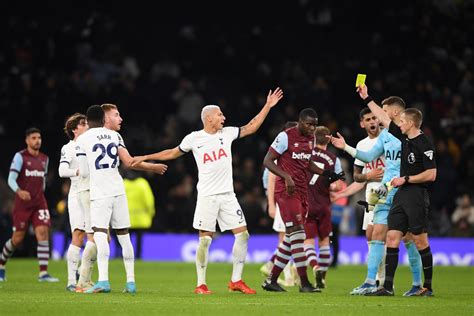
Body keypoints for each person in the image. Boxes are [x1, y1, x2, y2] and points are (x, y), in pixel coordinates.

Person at [131, 87, 284, 295]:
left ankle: (236, 280)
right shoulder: (194, 138)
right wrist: (145, 157)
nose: (224, 117)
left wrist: (267, 105)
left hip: (228, 196)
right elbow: (172, 152)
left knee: (244, 235)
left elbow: (251, 127)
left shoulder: (227, 133)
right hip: (207, 197)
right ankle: (201, 284)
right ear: (209, 118)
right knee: (205, 240)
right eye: (220, 114)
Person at [329, 97, 424, 296]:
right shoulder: (384, 136)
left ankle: (417, 284)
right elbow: (366, 156)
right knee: (375, 235)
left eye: (383, 110)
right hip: (383, 190)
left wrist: (366, 96)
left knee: (407, 238)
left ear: (394, 112)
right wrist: (345, 147)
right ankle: (371, 281)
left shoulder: (409, 135)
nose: (380, 115)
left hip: (403, 189)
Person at [76, 105, 167, 294]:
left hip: (100, 193)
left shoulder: (83, 139)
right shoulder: (115, 136)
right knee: (125, 237)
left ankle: (103, 281)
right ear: (103, 119)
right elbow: (129, 162)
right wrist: (153, 167)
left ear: (87, 120)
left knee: (100, 236)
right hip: (118, 190)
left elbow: (84, 172)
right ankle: (131, 283)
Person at [358, 84, 437, 296]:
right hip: (400, 195)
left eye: (401, 122)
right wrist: (367, 98)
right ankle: (387, 287)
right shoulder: (402, 139)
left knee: (419, 239)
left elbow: (432, 174)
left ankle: (427, 286)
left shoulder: (424, 143)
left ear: (410, 123)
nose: (397, 124)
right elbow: (384, 119)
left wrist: (407, 178)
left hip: (416, 196)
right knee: (392, 237)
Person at [261, 108, 345, 293]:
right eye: (309, 124)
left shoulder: (311, 138)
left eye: (315, 125)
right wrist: (287, 177)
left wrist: (326, 173)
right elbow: (267, 161)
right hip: (286, 192)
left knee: (292, 238)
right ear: (300, 121)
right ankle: (304, 283)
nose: (312, 128)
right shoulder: (285, 137)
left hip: (302, 192)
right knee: (298, 234)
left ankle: (271, 280)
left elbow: (307, 164)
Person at [330, 107, 386, 288]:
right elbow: (359, 178)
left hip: (388, 189)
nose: (372, 122)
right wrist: (341, 193)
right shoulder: (362, 145)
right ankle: (378, 279)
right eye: (367, 119)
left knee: (382, 235)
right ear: (362, 124)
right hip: (372, 193)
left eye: (374, 118)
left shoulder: (388, 138)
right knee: (371, 236)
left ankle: (382, 281)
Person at [0, 128, 59, 282]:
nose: (37, 140)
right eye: (33, 138)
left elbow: (43, 181)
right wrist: (19, 192)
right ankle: (1, 264)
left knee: (43, 233)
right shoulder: (20, 157)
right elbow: (11, 179)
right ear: (27, 140)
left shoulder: (45, 159)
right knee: (17, 239)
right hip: (23, 204)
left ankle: (43, 273)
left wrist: (40, 194)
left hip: (39, 202)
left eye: (39, 137)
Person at [58, 113, 97, 291]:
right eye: (83, 124)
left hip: (94, 194)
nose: (87, 125)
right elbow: (62, 170)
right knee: (79, 235)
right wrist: (78, 172)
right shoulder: (69, 147)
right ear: (75, 129)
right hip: (77, 194)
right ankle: (71, 282)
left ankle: (85, 277)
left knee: (97, 236)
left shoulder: (91, 145)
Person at [304, 126, 344, 290]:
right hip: (324, 205)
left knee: (308, 241)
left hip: (307, 205)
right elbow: (338, 186)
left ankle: (314, 266)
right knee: (325, 241)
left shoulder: (307, 155)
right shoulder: (334, 159)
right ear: (328, 139)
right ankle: (323, 279)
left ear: (314, 138)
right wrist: (330, 187)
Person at [260, 121, 298, 287]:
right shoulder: (277, 155)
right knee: (286, 238)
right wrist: (271, 204)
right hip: (283, 201)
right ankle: (288, 275)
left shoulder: (296, 153)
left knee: (292, 238)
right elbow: (269, 181)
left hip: (296, 201)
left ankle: (272, 266)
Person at [122, 168, 156, 259]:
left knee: (124, 238)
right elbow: (149, 201)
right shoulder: (142, 184)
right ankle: (138, 255)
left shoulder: (124, 183)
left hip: (126, 218)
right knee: (139, 239)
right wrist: (151, 213)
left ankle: (122, 255)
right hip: (141, 218)